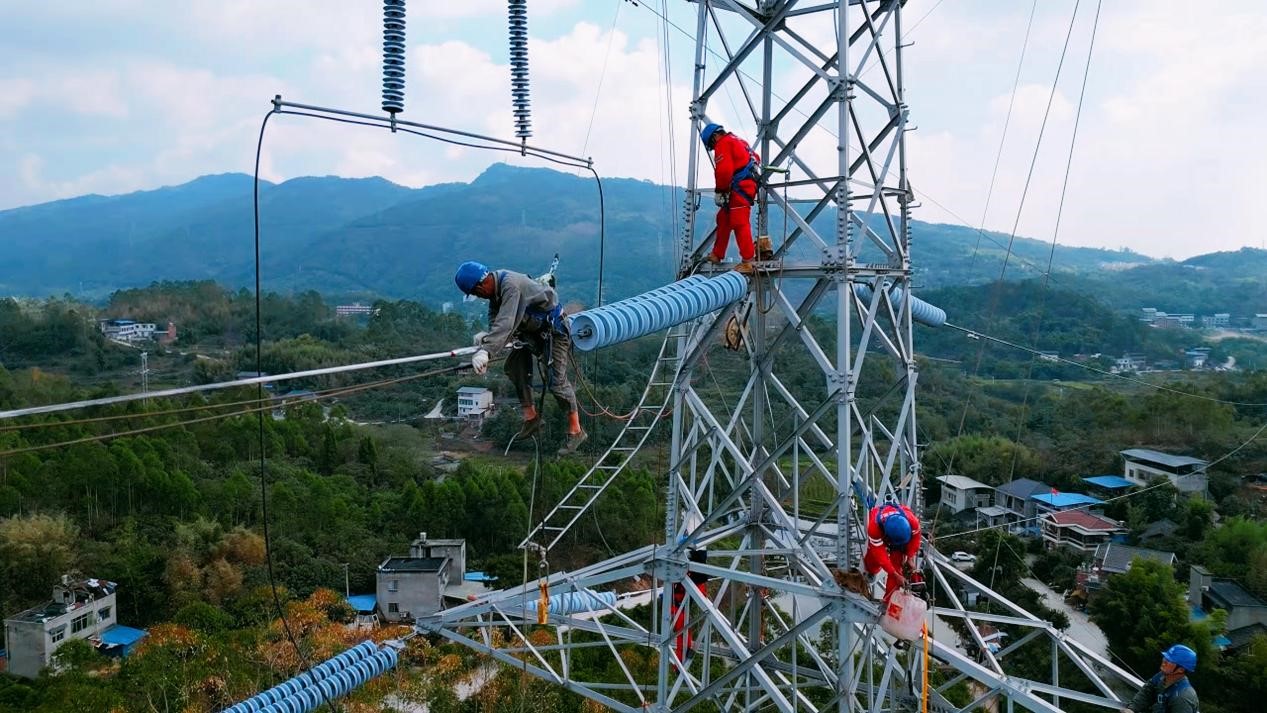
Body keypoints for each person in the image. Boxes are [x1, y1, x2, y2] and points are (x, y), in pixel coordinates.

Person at [454, 261, 587, 455]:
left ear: (482, 284)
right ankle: (531, 418)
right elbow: (497, 322)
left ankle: (576, 431)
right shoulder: (495, 293)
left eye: (476, 293)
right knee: (514, 365)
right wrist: (487, 342)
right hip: (529, 332)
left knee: (556, 382)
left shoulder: (510, 285)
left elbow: (507, 322)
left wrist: (486, 351)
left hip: (554, 331)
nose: (479, 297)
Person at [700, 123, 759, 273]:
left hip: (740, 188)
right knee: (723, 218)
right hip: (745, 185)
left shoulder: (723, 143)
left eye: (712, 145)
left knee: (739, 222)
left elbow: (724, 171)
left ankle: (748, 261)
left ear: (714, 137)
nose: (714, 149)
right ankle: (717, 254)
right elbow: (756, 158)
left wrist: (720, 191)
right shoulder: (738, 140)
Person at [862, 502, 921, 601]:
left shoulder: (912, 521)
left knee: (897, 564)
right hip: (883, 532)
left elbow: (916, 539)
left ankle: (889, 600)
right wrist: (895, 574)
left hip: (896, 534)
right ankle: (871, 571)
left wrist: (910, 557)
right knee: (873, 559)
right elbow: (880, 556)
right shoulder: (874, 528)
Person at [1124, 644, 1199, 713]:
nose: (1164, 661)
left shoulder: (1183, 697)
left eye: (1170, 660)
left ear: (1181, 669)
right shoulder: (1161, 676)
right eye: (1165, 657)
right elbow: (1148, 692)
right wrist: (1132, 708)